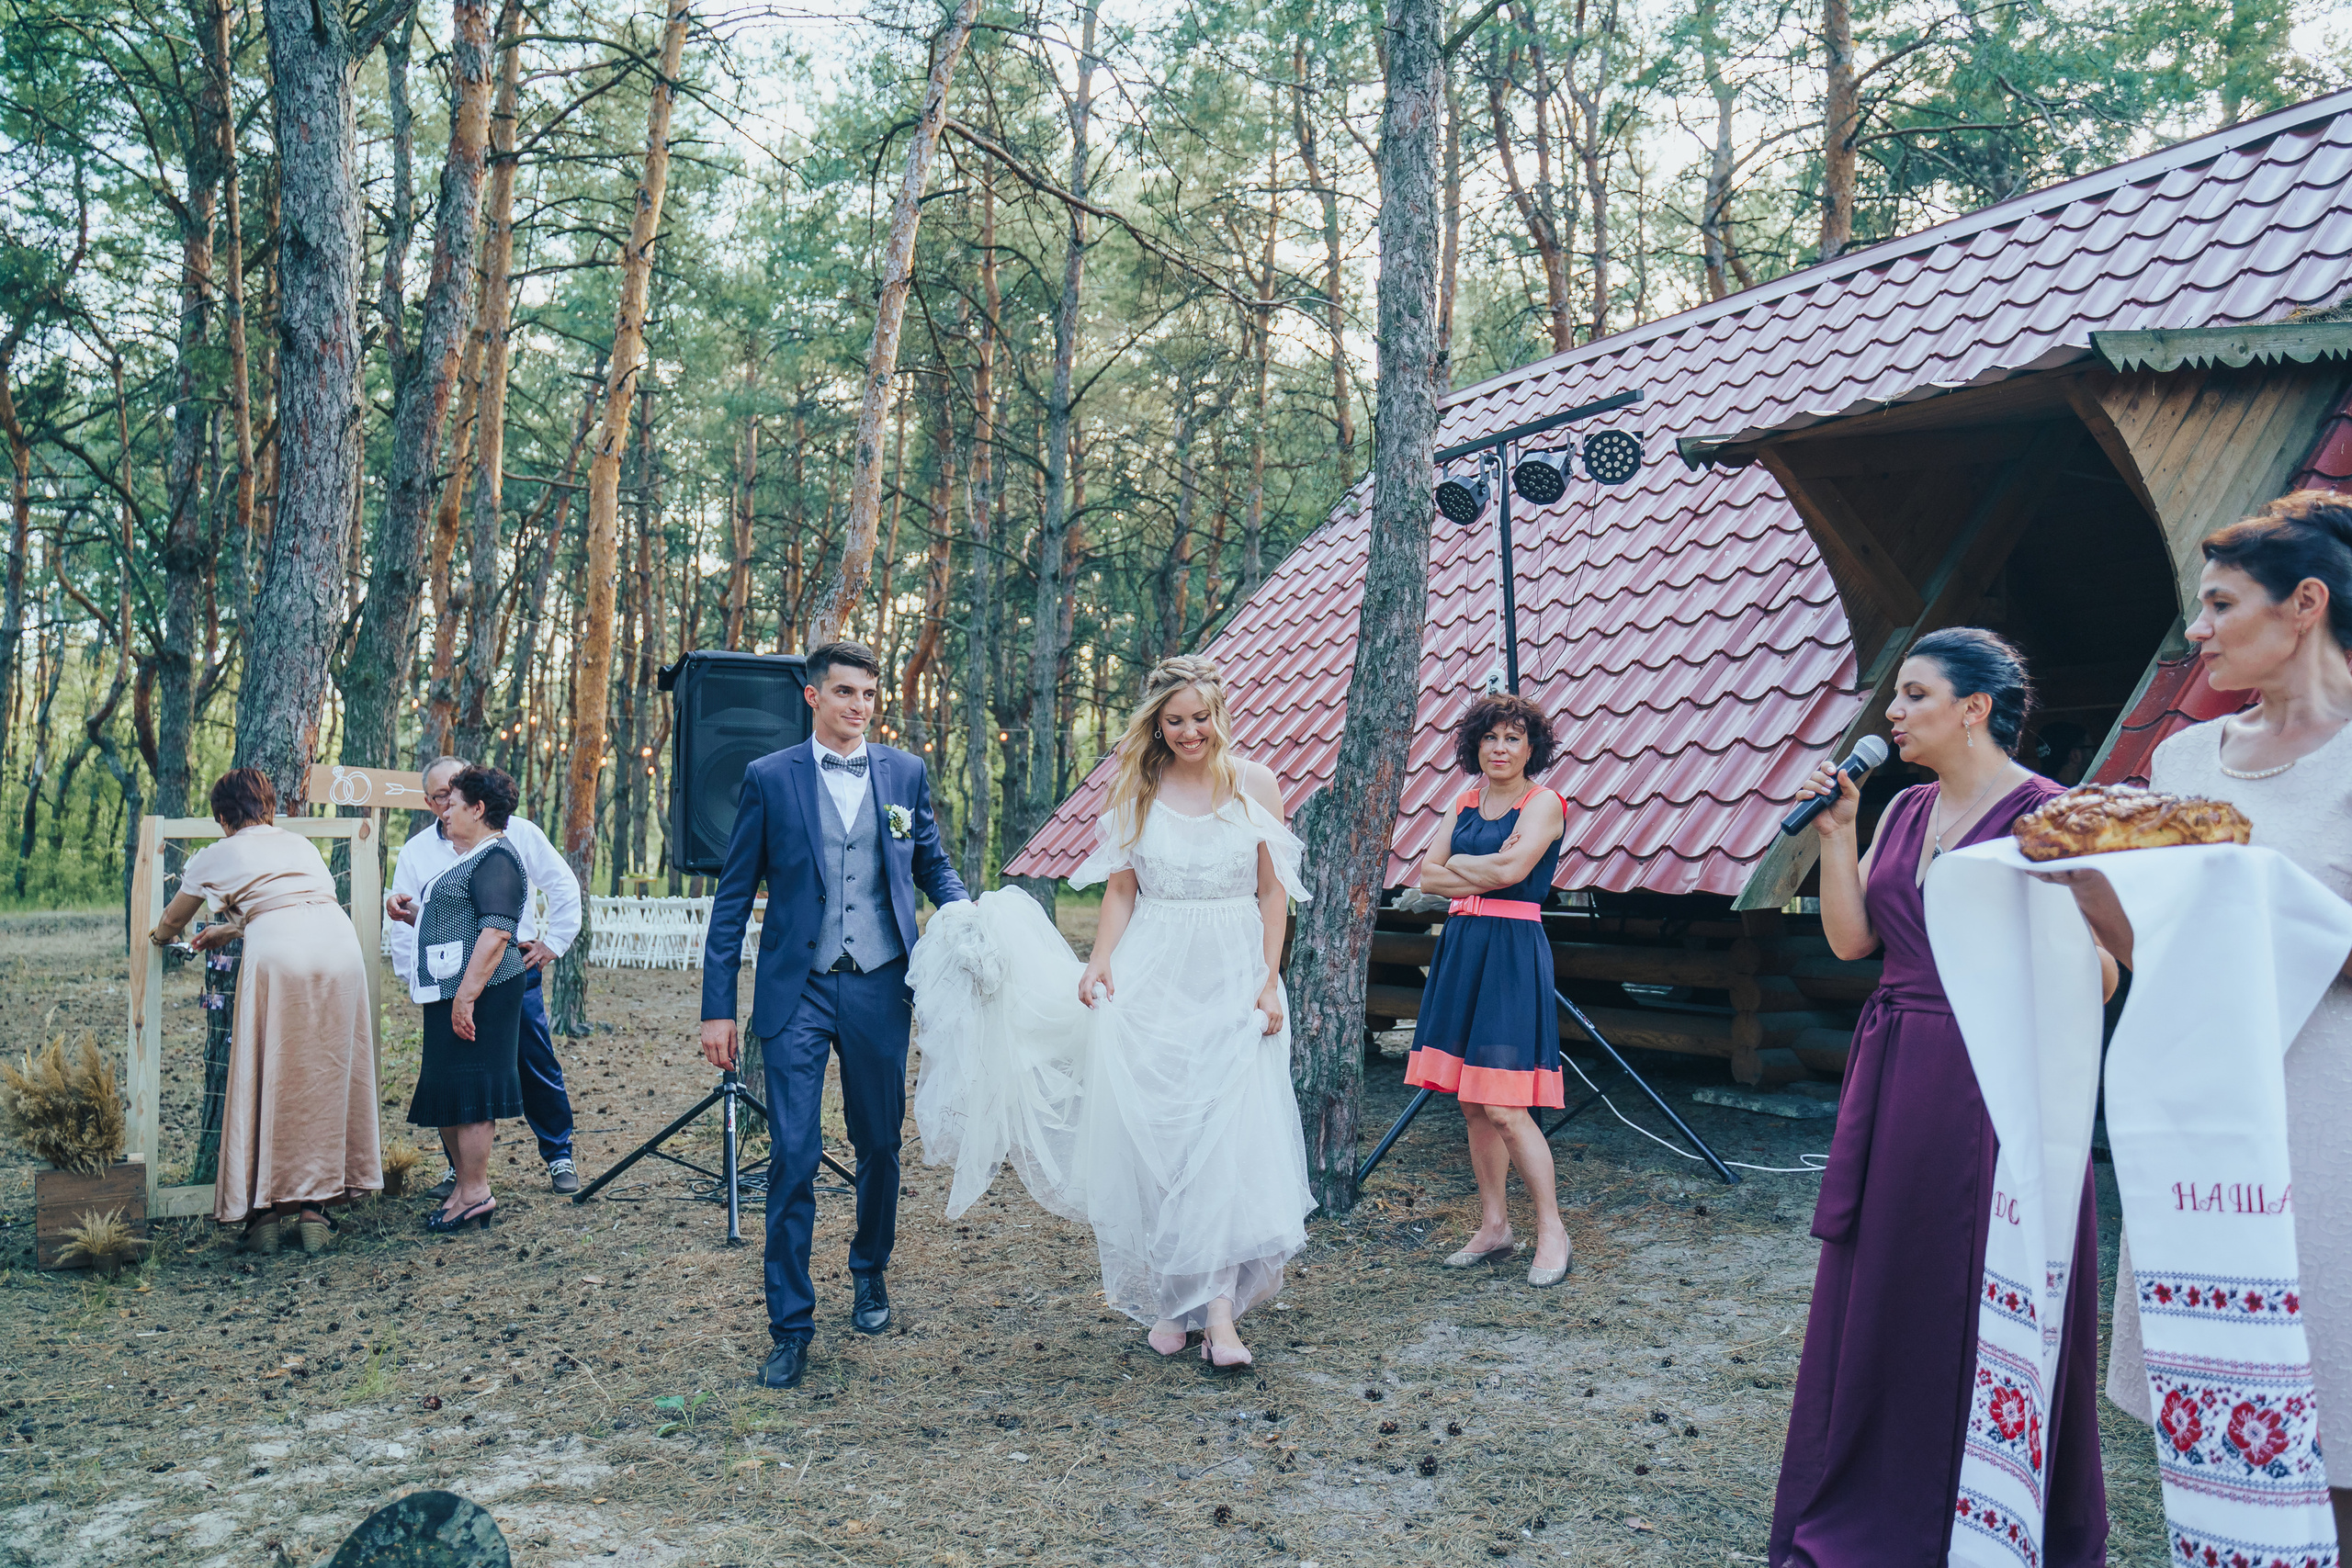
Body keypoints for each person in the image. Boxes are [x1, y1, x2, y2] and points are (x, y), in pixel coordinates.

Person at [1770, 627, 2110, 1568]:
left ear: (1975, 708)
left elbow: (2104, 973)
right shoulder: (1904, 809)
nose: (1893, 713)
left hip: (1995, 1075)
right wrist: (1838, 837)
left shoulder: (2051, 814)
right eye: (1894, 699)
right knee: (1888, 1282)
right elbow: (1850, 944)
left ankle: (1982, 1513)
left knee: (1972, 1284)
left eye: (1914, 696)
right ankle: (1877, 1498)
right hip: (1894, 1061)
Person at [2052, 491, 2352, 1540]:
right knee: (2213, 1424)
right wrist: (2103, 909)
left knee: (2335, 1420)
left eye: (2221, 605)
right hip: (2201, 1119)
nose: (2198, 630)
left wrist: (2263, 908)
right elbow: (2163, 961)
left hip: (2329, 1116)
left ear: (2305, 604)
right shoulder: (2180, 766)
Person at [908, 654, 1316, 1370]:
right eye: (1176, 721)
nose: (1191, 732)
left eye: (1201, 717)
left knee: (1223, 1135)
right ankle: (1172, 1297)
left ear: (1222, 713)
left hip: (1232, 972)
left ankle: (1219, 1314)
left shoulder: (1257, 784)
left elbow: (1273, 890)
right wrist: (1098, 959)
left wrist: (1269, 977)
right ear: (1158, 725)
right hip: (1153, 969)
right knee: (1162, 1133)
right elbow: (1123, 892)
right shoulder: (1140, 786)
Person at [700, 640, 969, 1391]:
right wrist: (716, 1009)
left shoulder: (904, 774)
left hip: (882, 983)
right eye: (846, 693)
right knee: (791, 1152)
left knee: (880, 1142)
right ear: (814, 697)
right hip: (798, 989)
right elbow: (730, 902)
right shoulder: (767, 778)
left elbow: (930, 863)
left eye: (869, 696)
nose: (860, 707)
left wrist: (965, 917)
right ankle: (790, 1325)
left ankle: (870, 1270)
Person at [149, 768, 380, 1254]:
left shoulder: (216, 854)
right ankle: (318, 1209)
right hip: (339, 949)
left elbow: (175, 917)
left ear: (222, 816)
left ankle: (264, 1215)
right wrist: (229, 931)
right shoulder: (299, 847)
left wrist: (161, 939)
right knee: (327, 1072)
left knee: (270, 1071)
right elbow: (295, 902)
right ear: (269, 807)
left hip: (279, 954)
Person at [1403, 693, 1572, 1288]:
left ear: (1532, 747)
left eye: (1513, 738)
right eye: (1491, 737)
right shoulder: (1465, 799)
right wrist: (1487, 869)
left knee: (1504, 1102)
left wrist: (1469, 872)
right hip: (1463, 945)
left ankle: (1551, 1227)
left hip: (1509, 952)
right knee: (1472, 1101)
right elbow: (1427, 874)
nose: (1500, 748)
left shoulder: (1544, 801)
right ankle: (1495, 1224)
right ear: (1476, 744)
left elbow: (1512, 872)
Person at [388, 755, 583, 1195]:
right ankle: (461, 1172)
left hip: (508, 972)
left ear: (475, 802)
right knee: (452, 1078)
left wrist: (554, 943)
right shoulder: (417, 850)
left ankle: (558, 1153)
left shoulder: (517, 836)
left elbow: (561, 887)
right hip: (444, 982)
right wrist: (412, 975)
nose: (447, 802)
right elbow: (437, 916)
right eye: (441, 795)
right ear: (428, 800)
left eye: (455, 792)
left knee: (535, 1062)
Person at [404, 765, 532, 1234]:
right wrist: (418, 913)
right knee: (450, 1089)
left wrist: (466, 997)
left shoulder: (496, 858)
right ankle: (463, 1188)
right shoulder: (472, 856)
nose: (445, 814)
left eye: (453, 805)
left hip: (485, 993)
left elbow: (497, 931)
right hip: (453, 990)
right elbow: (460, 917)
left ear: (478, 810)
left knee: (474, 1091)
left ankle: (476, 1191)